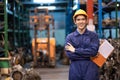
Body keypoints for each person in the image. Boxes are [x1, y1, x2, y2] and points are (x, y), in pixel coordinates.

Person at [65, 9, 100, 80]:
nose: (81, 22)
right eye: (78, 20)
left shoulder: (93, 36)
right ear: (75, 21)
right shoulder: (70, 37)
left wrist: (75, 50)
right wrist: (88, 55)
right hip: (75, 70)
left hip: (90, 70)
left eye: (83, 19)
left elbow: (93, 52)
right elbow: (70, 55)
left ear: (86, 21)